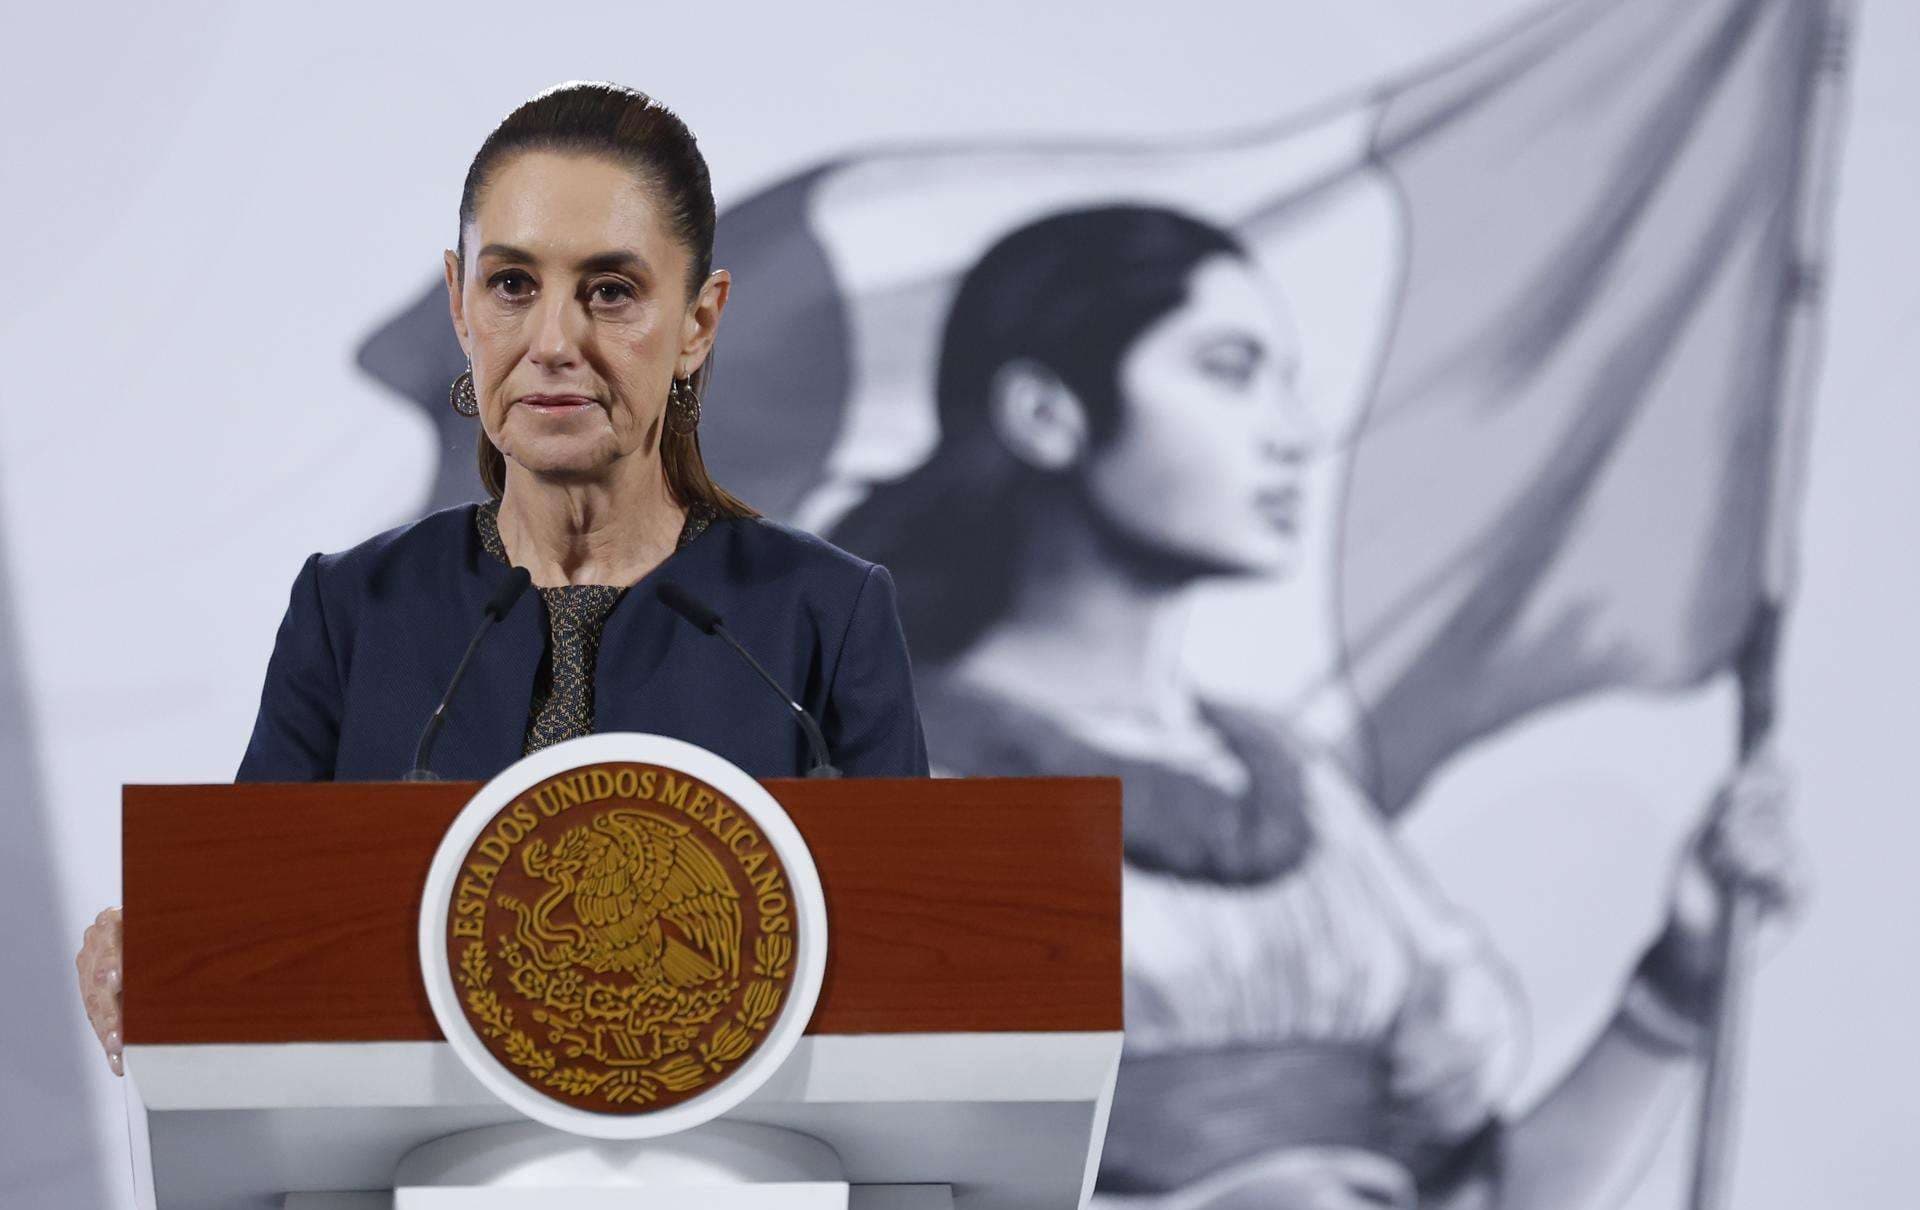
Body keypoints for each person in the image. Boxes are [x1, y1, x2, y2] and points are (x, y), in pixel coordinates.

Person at [828, 205, 1801, 1210]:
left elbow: (1486, 1197)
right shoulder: (920, 783)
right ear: (1048, 413)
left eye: (1288, 383)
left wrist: (1678, 986)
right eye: (1230, 368)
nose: (1293, 433)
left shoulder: (1302, 795)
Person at [76, 81, 929, 1076]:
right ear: (460, 304)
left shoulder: (823, 614)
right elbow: (250, 939)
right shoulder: (350, 612)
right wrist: (156, 963)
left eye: (610, 290)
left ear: (699, 321)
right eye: (513, 285)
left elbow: (907, 983)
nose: (554, 341)